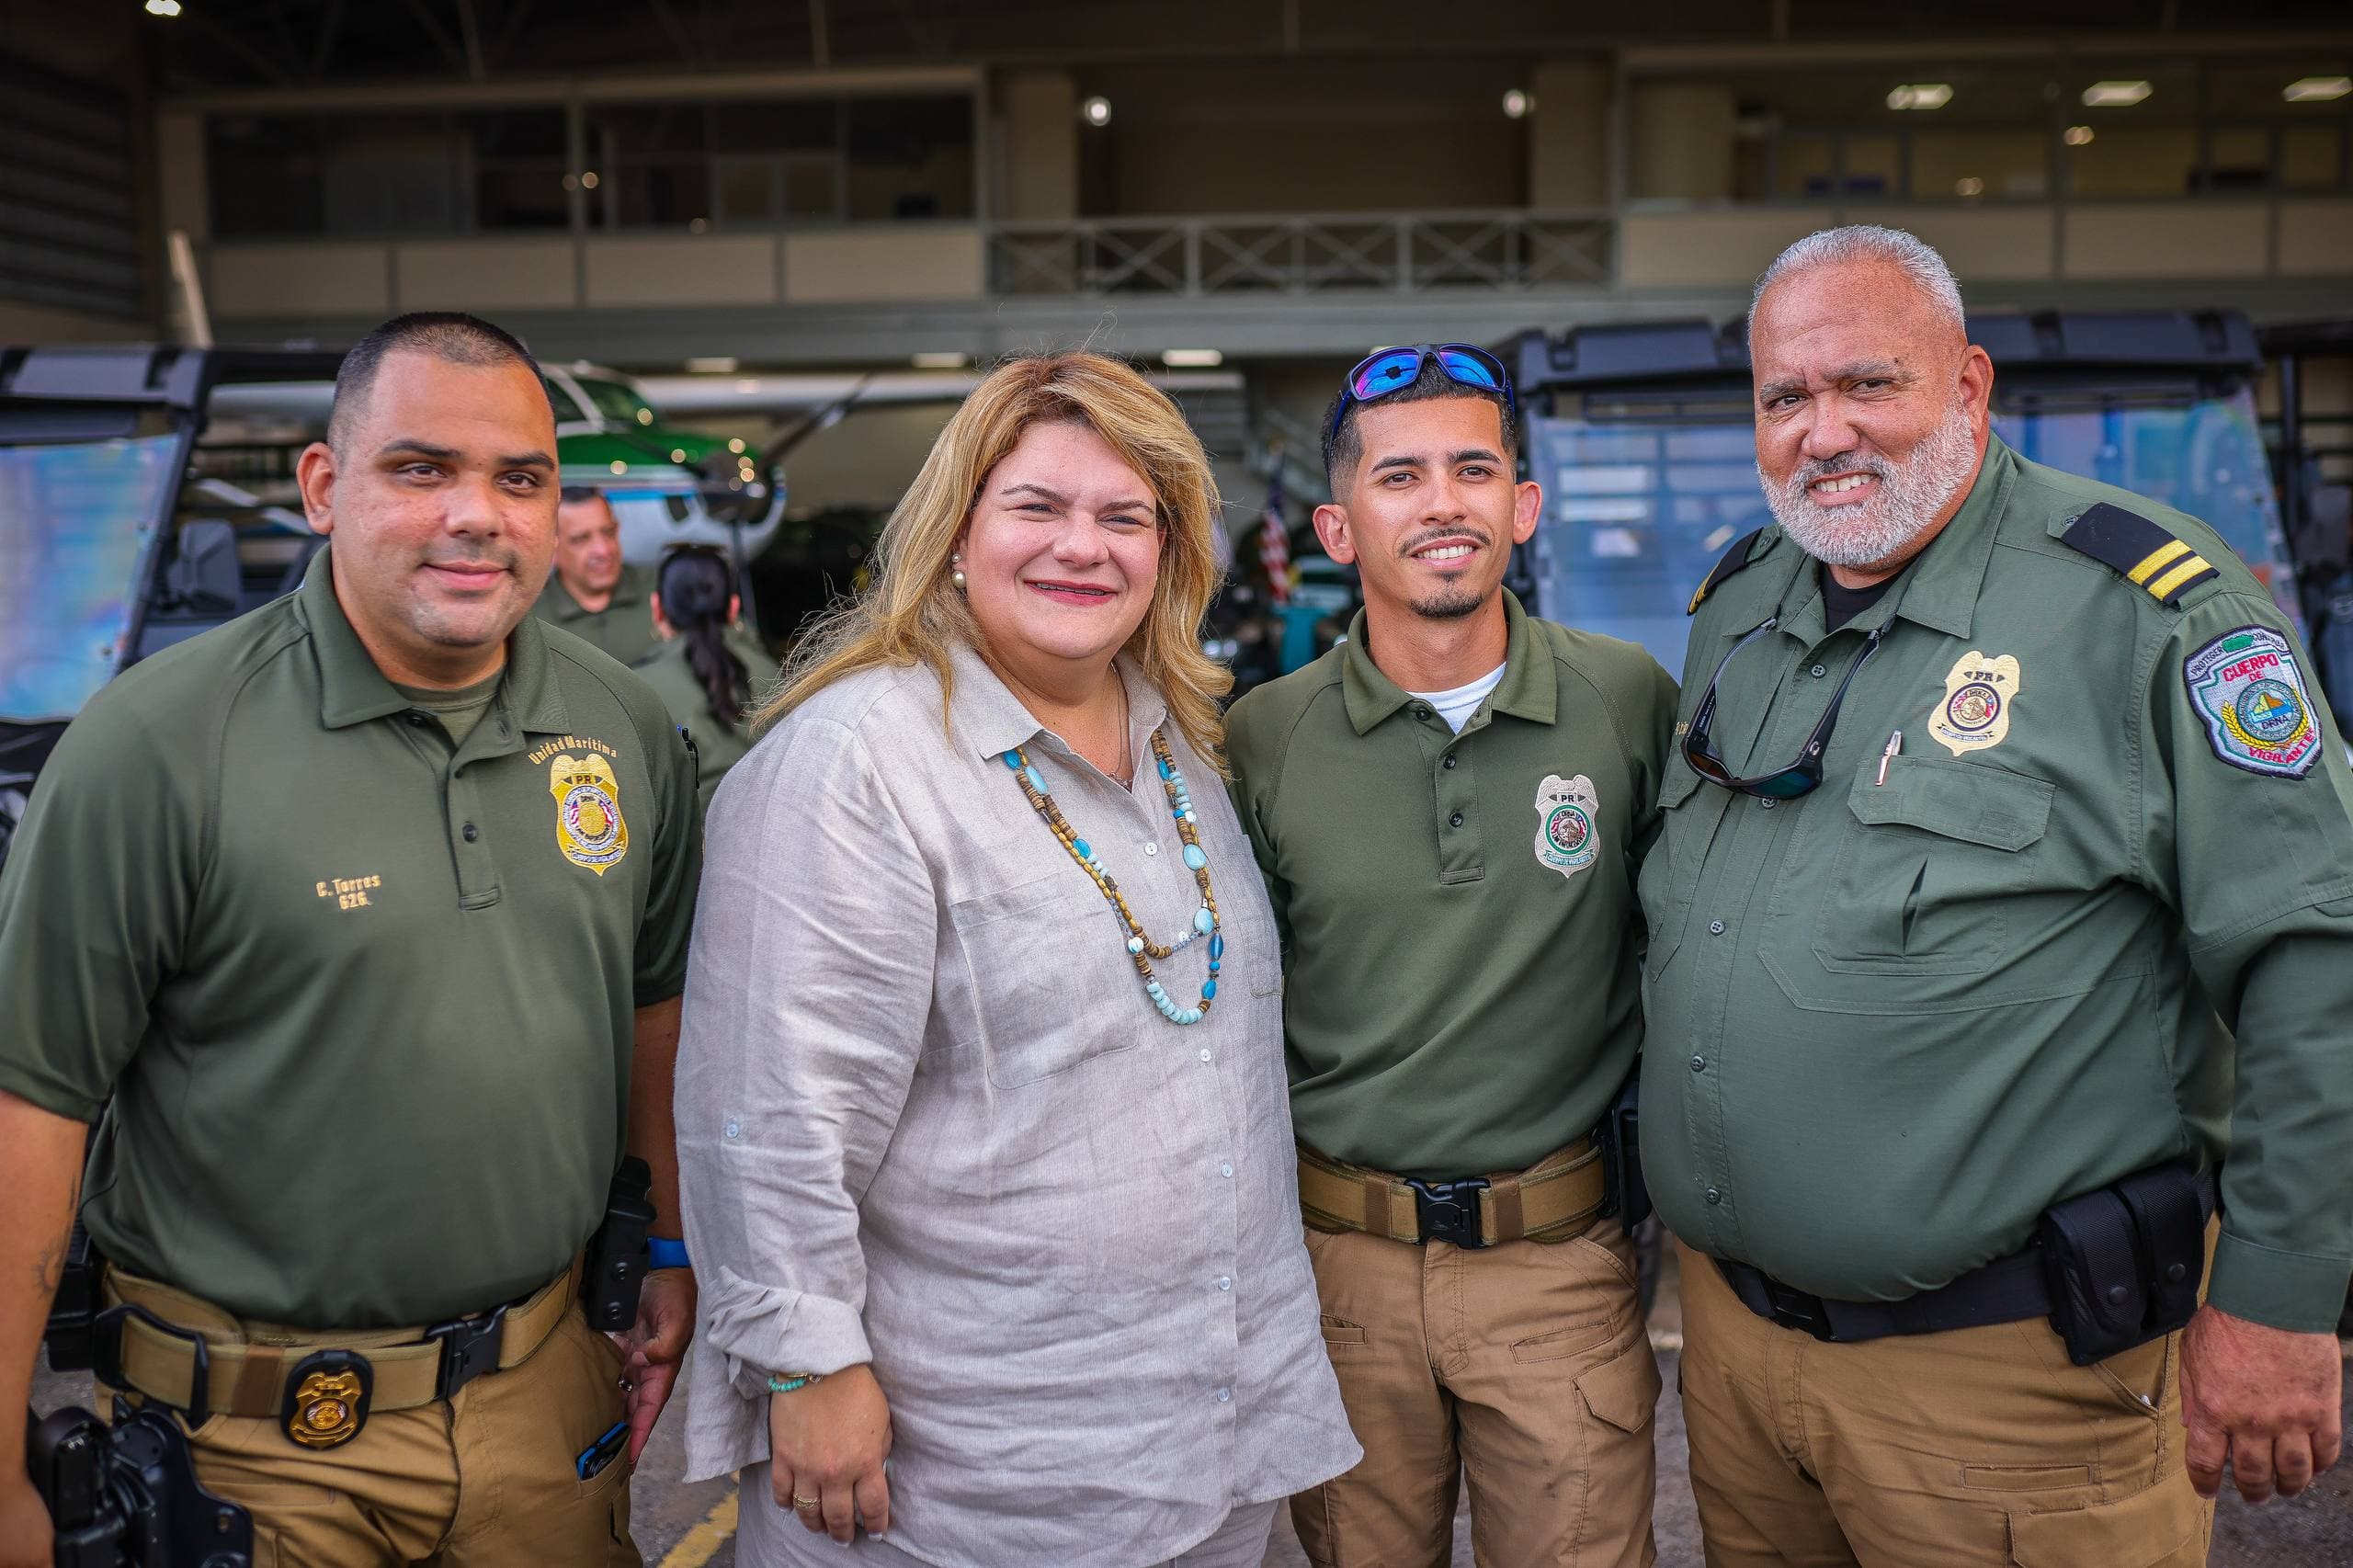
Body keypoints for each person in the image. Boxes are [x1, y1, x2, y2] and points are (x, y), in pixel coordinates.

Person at [1644, 225, 2353, 1566]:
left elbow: (2318, 959)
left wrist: (2280, 1296)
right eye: (1785, 398)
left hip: (2013, 1384)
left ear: (1968, 386)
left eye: (1869, 384)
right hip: (1736, 1368)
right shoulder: (1737, 602)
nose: (1824, 431)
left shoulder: (2148, 608)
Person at [0, 312, 702, 1568]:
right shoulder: (157, 747)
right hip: (249, 1448)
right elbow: (28, 1111)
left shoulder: (627, 728)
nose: (477, 515)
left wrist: (665, 1245)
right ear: (325, 487)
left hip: (543, 1408)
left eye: (520, 478)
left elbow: (654, 1004)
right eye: (422, 469)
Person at [672, 351, 1358, 1567]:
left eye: (1123, 517)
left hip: (1205, 1437)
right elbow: (772, 1107)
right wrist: (807, 1361)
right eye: (1036, 506)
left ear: (1171, 552)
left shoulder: (1180, 751)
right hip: (970, 1483)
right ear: (952, 533)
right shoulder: (856, 764)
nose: (1080, 546)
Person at [1226, 347, 1678, 1567]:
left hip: (1559, 1265)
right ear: (1337, 524)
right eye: (1401, 476)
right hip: (1339, 1276)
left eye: (1475, 470)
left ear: (1522, 507)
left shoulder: (1628, 702)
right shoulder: (1259, 738)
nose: (1443, 502)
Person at [637, 545, 782, 806]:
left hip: (692, 843)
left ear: (657, 607)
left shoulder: (639, 687)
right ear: (733, 607)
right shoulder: (774, 674)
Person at [537, 485, 662, 665]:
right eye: (581, 539)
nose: (603, 550)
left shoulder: (663, 590)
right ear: (551, 548)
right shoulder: (530, 620)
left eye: (608, 533)